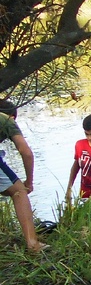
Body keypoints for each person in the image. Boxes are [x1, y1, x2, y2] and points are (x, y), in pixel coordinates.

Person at [0, 99, 47, 252]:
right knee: (19, 191)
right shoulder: (7, 120)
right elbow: (26, 152)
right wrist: (29, 181)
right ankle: (33, 244)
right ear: (13, 116)